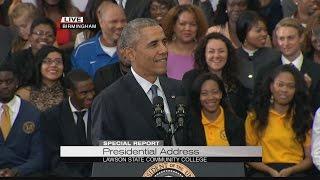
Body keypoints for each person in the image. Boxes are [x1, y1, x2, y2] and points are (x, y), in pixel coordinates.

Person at [91, 18, 186, 145]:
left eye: (164, 42)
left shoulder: (180, 89)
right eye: (153, 44)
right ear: (130, 54)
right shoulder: (108, 101)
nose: (164, 50)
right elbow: (106, 159)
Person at [246, 65, 313, 177]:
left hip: (295, 171)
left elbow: (309, 159)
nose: (284, 90)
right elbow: (249, 157)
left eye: (290, 86)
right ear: (271, 87)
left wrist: (291, 170)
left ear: (296, 90)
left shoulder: (304, 116)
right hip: (264, 171)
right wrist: (270, 171)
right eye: (280, 85)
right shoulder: (255, 116)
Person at [256, 18, 320, 112]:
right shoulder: (266, 71)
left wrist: (306, 92)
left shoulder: (317, 72)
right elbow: (258, 104)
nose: (285, 44)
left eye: (290, 38)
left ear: (301, 37)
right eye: (281, 38)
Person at [41, 70, 95, 177]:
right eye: (84, 92)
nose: (90, 96)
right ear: (70, 92)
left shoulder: (101, 112)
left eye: (92, 91)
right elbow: (54, 158)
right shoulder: (52, 117)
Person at [182, 33, 249, 119]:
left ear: (228, 55)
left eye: (221, 51)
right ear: (204, 54)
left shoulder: (235, 82)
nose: (216, 56)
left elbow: (241, 115)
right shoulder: (191, 78)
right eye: (211, 51)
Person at [0, 60, 43, 177]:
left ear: (17, 82)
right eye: (0, 82)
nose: (4, 86)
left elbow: (39, 156)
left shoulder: (32, 113)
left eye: (9, 81)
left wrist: (16, 171)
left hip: (23, 173)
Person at [71, 1, 127, 77]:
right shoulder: (82, 51)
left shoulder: (135, 47)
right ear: (101, 22)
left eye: (123, 21)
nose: (119, 26)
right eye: (114, 21)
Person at [188, 72, 245, 146]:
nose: (211, 97)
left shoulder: (237, 124)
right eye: (204, 93)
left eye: (215, 92)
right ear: (198, 96)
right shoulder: (189, 125)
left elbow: (240, 156)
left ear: (221, 94)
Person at [235, 11, 280, 97]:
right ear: (244, 33)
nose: (264, 34)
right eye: (258, 31)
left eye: (265, 30)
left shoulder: (275, 56)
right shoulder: (233, 57)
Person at [161, 4, 208, 80]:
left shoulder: (205, 51)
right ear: (173, 26)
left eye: (193, 24)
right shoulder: (162, 50)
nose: (187, 28)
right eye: (182, 24)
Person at [16, 46, 66, 112]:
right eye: (48, 61)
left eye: (58, 62)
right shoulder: (25, 93)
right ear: (39, 65)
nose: (54, 65)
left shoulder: (70, 93)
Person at [10, 17, 56, 87]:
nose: (44, 37)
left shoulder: (61, 59)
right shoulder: (16, 59)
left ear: (54, 39)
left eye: (49, 35)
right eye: (39, 33)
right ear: (30, 37)